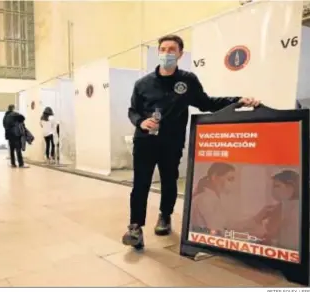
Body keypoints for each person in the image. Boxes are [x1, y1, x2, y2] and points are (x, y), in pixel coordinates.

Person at [122, 34, 261, 249]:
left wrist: (237, 100)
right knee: (140, 184)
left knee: (169, 181)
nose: (166, 53)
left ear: (180, 54)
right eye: (163, 49)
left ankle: (165, 216)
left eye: (171, 50)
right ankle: (135, 226)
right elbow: (132, 111)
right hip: (145, 142)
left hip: (172, 142)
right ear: (158, 52)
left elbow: (206, 103)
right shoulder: (143, 84)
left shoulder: (188, 80)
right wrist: (141, 122)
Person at [189, 163, 272, 238]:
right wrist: (250, 236)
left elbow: (227, 225)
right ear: (214, 177)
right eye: (230, 179)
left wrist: (256, 218)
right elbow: (217, 233)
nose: (233, 184)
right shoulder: (206, 200)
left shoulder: (212, 198)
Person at [263, 170, 300, 250]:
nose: (273, 190)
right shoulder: (299, 205)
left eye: (277, 186)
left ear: (291, 187)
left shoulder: (281, 207)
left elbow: (270, 231)